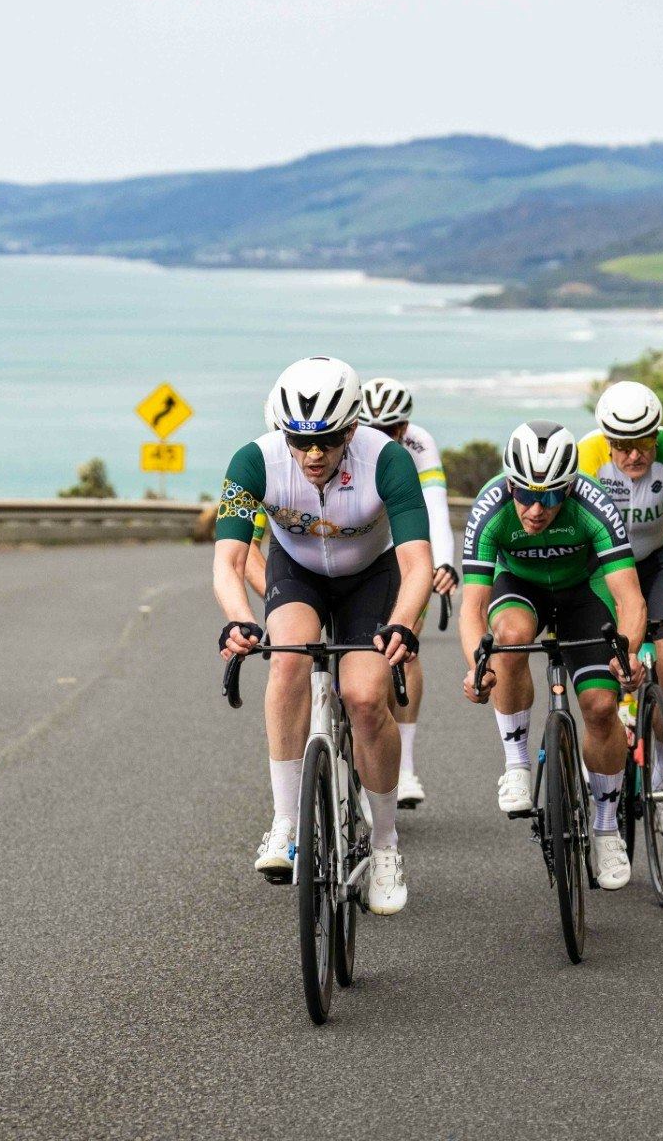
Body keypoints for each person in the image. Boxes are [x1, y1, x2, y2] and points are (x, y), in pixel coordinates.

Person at [212, 356, 432, 915]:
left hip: (371, 578)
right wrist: (239, 618)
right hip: (299, 573)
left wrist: (404, 623)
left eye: (328, 441)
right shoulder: (253, 462)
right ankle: (286, 821)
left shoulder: (387, 460)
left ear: (352, 429)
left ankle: (384, 846)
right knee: (286, 661)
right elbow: (229, 558)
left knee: (363, 697)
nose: (313, 455)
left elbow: (416, 562)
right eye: (300, 441)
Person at [457, 420, 645, 890]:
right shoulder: (491, 507)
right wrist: (477, 667)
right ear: (510, 484)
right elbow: (473, 608)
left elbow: (631, 600)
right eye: (525, 494)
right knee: (510, 636)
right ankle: (517, 763)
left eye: (550, 496)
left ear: (569, 487)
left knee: (602, 706)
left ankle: (605, 828)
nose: (536, 508)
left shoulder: (593, 504)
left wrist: (629, 654)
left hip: (584, 592)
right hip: (521, 588)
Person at [576, 381, 663, 836]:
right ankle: (604, 761)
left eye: (642, 444)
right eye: (622, 446)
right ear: (606, 439)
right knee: (613, 670)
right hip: (601, 569)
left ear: (656, 436)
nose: (633, 456)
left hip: (657, 564)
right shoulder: (586, 454)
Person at [356, 377, 457, 807]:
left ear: (406, 427)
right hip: (358, 546)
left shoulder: (419, 444)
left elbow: (434, 504)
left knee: (406, 648)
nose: (387, 438)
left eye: (395, 429)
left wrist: (445, 561)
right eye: (376, 430)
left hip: (404, 545)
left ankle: (406, 767)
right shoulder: (351, 444)